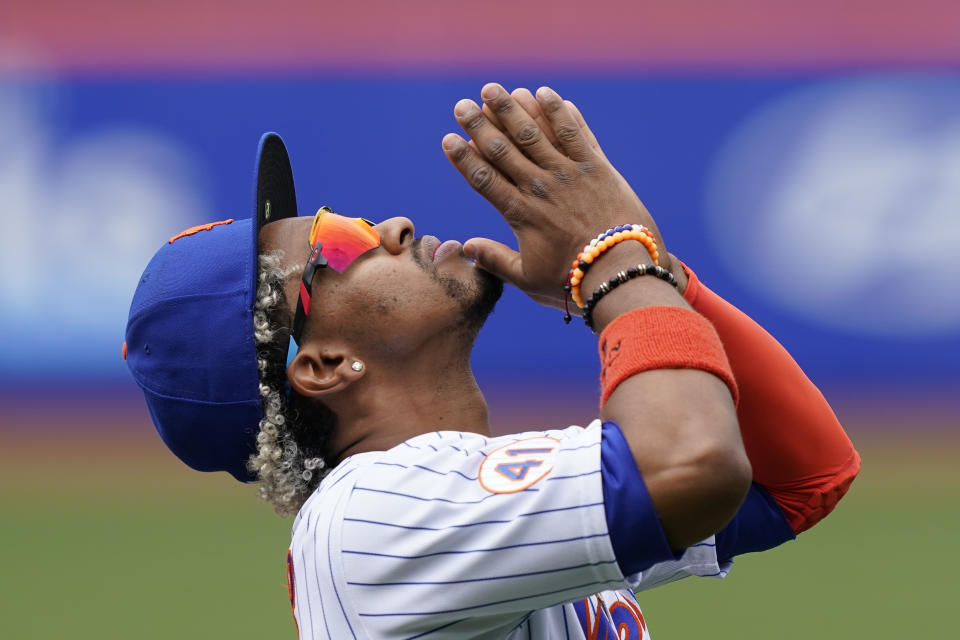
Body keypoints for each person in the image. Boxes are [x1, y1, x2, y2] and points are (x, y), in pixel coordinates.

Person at [124, 83, 860, 639]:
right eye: (337, 242)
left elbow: (795, 481)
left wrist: (644, 269)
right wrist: (613, 261)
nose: (389, 226)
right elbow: (693, 465)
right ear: (322, 364)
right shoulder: (369, 517)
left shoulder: (443, 502)